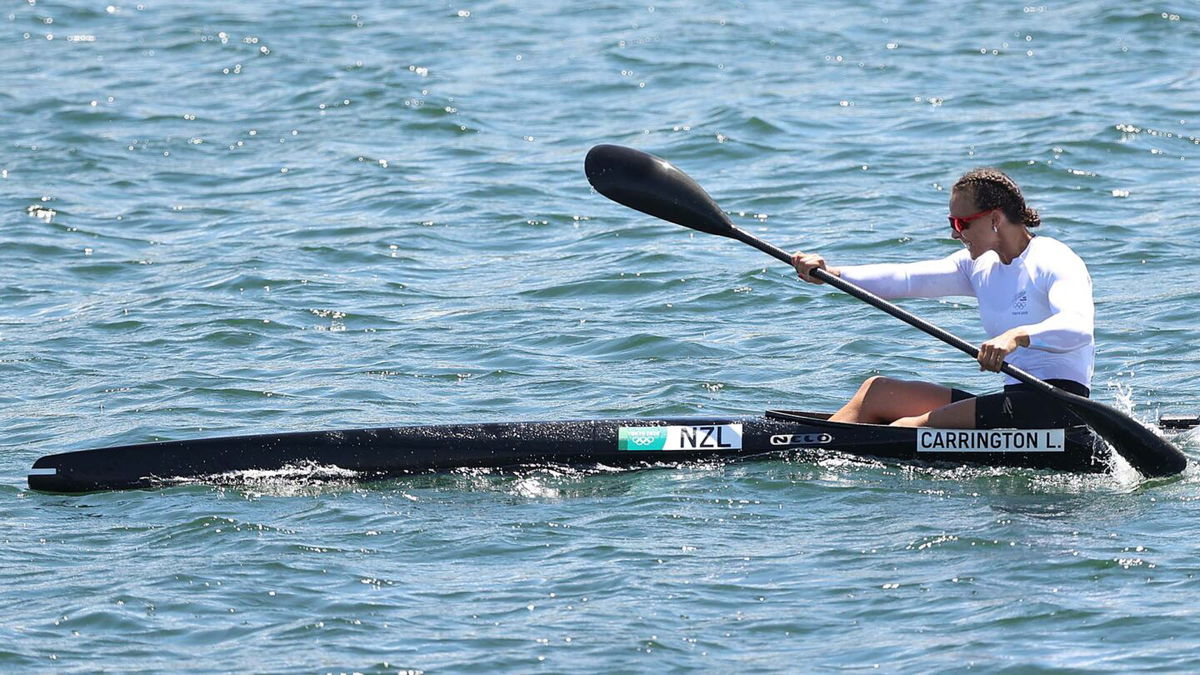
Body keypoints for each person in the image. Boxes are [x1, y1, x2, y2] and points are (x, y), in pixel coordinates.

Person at [791, 168, 1094, 429]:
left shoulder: (1053, 259)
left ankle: (817, 451)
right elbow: (906, 279)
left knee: (906, 427)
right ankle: (815, 444)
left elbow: (1078, 327)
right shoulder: (978, 266)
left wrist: (1017, 336)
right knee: (876, 392)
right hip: (1014, 402)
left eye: (962, 224)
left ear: (995, 219)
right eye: (952, 223)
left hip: (1057, 407)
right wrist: (831, 273)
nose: (954, 234)